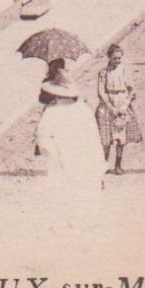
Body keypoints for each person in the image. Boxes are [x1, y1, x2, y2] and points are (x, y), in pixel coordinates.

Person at [34, 56, 106, 197]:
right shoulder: (79, 105)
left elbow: (43, 100)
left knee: (64, 156)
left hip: (62, 122)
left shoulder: (53, 103)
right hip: (72, 122)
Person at [95, 43, 143, 173]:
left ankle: (118, 165)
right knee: (106, 138)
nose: (117, 61)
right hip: (108, 105)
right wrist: (110, 107)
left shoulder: (123, 70)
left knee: (121, 137)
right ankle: (103, 165)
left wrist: (125, 104)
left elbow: (131, 89)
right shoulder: (103, 72)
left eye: (119, 58)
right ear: (109, 58)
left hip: (122, 102)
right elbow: (101, 92)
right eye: (114, 58)